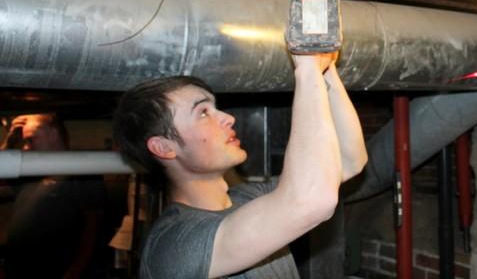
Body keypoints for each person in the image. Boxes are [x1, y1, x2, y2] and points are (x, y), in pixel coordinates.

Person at [113, 52, 368, 278]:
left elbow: (348, 161)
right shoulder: (171, 244)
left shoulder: (250, 197)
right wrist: (306, 68)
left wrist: (325, 68)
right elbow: (312, 200)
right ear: (164, 147)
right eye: (203, 113)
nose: (227, 118)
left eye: (216, 108)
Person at [4, 113, 107, 279]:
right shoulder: (32, 169)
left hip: (53, 271)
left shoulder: (81, 168)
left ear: (53, 134)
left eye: (31, 139)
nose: (25, 147)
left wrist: (73, 273)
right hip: (18, 270)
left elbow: (93, 227)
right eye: (25, 142)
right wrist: (9, 142)